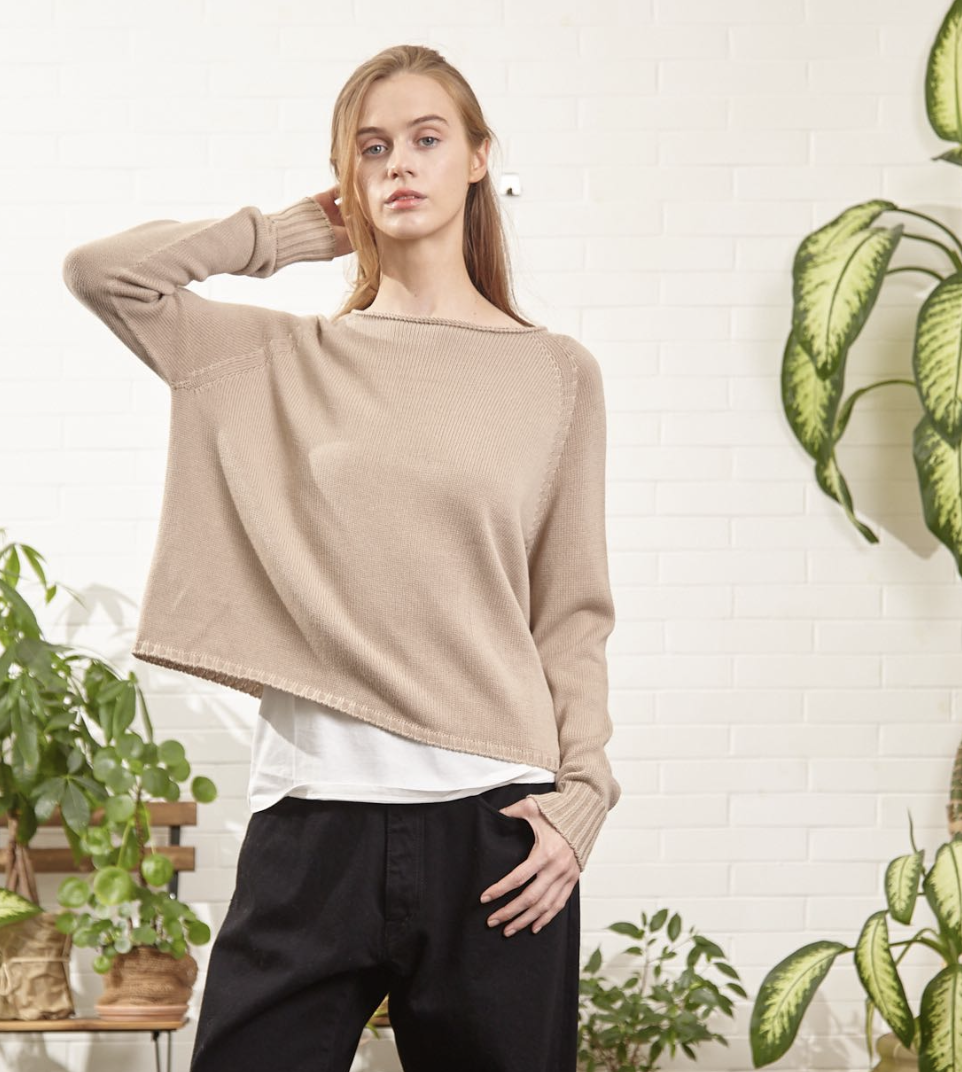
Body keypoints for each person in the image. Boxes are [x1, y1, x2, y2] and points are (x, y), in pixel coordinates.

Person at [61, 43, 620, 1072]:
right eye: (371, 149)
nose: (398, 163)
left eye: (425, 139)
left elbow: (572, 609)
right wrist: (286, 234)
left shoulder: (554, 374)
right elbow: (103, 275)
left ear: (477, 157)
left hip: (496, 826)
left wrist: (584, 792)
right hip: (311, 822)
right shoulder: (283, 358)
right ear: (346, 177)